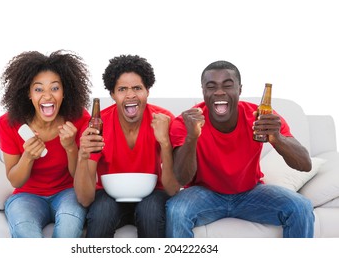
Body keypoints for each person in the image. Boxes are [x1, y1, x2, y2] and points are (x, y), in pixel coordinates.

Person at [166, 60, 314, 238]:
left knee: (301, 207)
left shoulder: (259, 117)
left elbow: (305, 164)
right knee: (176, 211)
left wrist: (277, 138)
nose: (219, 92)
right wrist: (192, 137)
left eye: (227, 85)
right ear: (203, 91)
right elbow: (182, 178)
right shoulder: (186, 122)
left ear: (239, 89)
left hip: (251, 192)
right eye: (211, 86)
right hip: (204, 194)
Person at [74, 54, 180, 237]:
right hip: (108, 195)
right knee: (101, 214)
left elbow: (173, 189)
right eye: (122, 89)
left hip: (153, 194)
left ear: (147, 91)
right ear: (112, 94)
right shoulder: (97, 125)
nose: (130, 95)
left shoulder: (165, 120)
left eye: (137, 88)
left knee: (150, 213)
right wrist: (82, 157)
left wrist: (165, 143)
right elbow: (85, 199)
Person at [0, 50, 92, 238]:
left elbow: (80, 177)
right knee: (24, 229)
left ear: (64, 92)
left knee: (69, 225)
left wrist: (71, 147)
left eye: (55, 88)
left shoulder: (80, 119)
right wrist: (28, 157)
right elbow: (15, 180)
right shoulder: (9, 123)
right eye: (39, 89)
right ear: (29, 94)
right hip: (26, 196)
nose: (47, 96)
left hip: (67, 192)